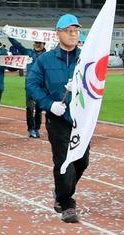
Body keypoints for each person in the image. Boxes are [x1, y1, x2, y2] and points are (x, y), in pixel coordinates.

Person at [25, 14, 88, 223]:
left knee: (82, 161)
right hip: (58, 118)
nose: (73, 34)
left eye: (76, 30)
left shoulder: (87, 58)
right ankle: (67, 203)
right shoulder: (45, 60)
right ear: (58, 33)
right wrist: (49, 104)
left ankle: (60, 190)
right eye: (68, 30)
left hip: (82, 120)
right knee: (64, 163)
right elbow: (32, 85)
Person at [9, 37, 47, 138]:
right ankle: (31, 129)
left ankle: (37, 128)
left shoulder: (48, 55)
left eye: (39, 43)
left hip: (42, 86)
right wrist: (10, 36)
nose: (37, 45)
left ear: (44, 44)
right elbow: (18, 46)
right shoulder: (29, 53)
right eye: (36, 43)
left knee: (39, 108)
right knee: (30, 108)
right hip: (30, 85)